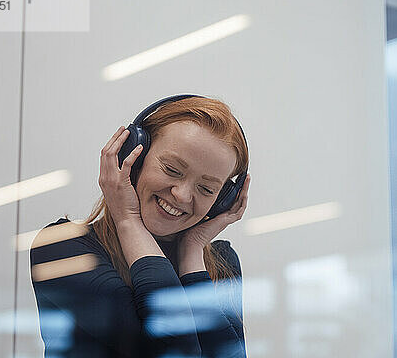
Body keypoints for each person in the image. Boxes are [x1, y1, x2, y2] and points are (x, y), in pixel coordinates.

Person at [30, 95, 251, 358]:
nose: (182, 195)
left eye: (206, 188)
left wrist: (192, 252)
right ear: (133, 156)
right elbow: (174, 350)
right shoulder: (61, 247)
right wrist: (128, 220)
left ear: (221, 201)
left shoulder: (221, 262)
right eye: (172, 169)